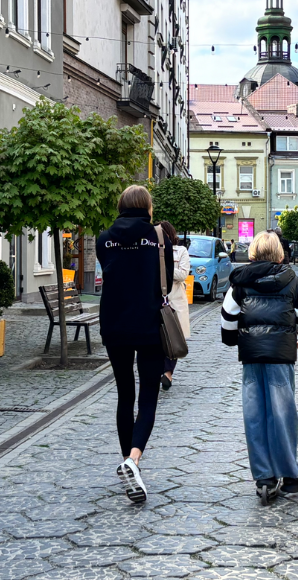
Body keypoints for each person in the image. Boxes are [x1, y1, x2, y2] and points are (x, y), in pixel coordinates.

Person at [221, 231, 298, 505]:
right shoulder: (292, 281)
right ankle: (290, 473)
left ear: (252, 252)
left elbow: (227, 323)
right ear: (279, 253)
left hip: (252, 358)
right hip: (281, 358)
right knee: (283, 414)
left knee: (255, 415)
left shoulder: (239, 282)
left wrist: (239, 338)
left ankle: (264, 476)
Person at [96, 185, 173, 504]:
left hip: (114, 324)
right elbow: (166, 278)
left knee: (124, 395)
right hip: (149, 325)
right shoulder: (159, 238)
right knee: (148, 397)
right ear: (147, 207)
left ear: (121, 205)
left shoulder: (104, 238)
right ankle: (133, 460)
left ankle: (129, 465)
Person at [158, 221, 190, 391]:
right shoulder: (151, 250)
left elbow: (183, 274)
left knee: (173, 338)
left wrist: (165, 267)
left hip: (175, 300)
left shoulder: (181, 251)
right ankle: (159, 371)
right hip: (155, 300)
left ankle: (168, 373)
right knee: (157, 338)